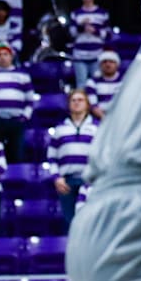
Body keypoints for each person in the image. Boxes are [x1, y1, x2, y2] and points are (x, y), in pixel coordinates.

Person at [48, 89, 98, 227]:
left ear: (87, 104)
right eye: (73, 100)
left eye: (80, 100)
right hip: (67, 183)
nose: (76, 103)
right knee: (70, 223)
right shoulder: (60, 129)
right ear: (68, 104)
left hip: (89, 181)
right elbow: (52, 157)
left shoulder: (97, 128)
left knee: (89, 223)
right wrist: (56, 177)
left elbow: (102, 156)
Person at [69, 0, 110, 88]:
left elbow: (107, 34)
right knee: (81, 84)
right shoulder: (76, 13)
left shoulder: (102, 13)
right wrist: (81, 27)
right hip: (79, 55)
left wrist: (95, 30)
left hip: (96, 55)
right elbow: (71, 33)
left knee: (96, 84)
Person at [84, 50, 123, 121]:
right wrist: (105, 119)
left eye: (111, 62)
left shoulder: (124, 81)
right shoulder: (92, 82)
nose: (108, 64)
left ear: (117, 64)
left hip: (120, 116)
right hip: (99, 119)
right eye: (104, 62)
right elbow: (93, 106)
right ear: (100, 65)